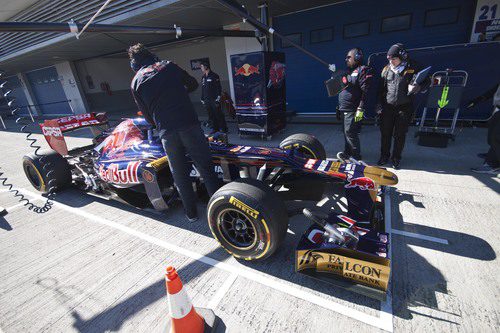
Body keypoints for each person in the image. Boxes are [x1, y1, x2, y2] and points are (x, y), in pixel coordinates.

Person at [128, 43, 221, 222]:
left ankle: (191, 214)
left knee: (179, 175)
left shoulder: (135, 82)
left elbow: (148, 117)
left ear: (134, 63)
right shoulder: (168, 65)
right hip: (189, 125)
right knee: (206, 169)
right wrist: (179, 93)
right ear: (151, 55)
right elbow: (193, 84)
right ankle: (218, 212)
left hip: (166, 132)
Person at [376, 43, 429, 170]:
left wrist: (419, 87)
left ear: (402, 57)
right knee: (385, 133)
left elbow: (427, 80)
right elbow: (381, 89)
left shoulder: (414, 66)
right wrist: (379, 105)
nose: (391, 61)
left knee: (400, 135)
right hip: (388, 107)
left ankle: (396, 158)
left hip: (404, 107)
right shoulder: (386, 69)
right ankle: (384, 156)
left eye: (393, 59)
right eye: (389, 59)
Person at [337, 47, 373, 161]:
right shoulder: (348, 71)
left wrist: (360, 108)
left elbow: (365, 90)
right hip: (343, 108)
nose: (346, 59)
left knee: (351, 133)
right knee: (346, 132)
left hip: (354, 109)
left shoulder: (363, 70)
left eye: (349, 57)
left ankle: (356, 157)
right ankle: (347, 153)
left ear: (357, 57)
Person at [468, 84, 500, 175]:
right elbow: (496, 87)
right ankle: (492, 156)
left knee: (496, 137)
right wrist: (481, 98)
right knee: (491, 137)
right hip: (497, 108)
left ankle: (493, 165)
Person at [200, 62, 228, 134]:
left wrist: (218, 99)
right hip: (207, 100)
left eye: (202, 66)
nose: (201, 68)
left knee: (218, 114)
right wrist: (202, 98)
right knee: (211, 115)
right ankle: (215, 129)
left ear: (206, 67)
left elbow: (219, 88)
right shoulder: (203, 77)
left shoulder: (214, 76)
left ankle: (224, 129)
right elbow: (203, 89)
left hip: (214, 99)